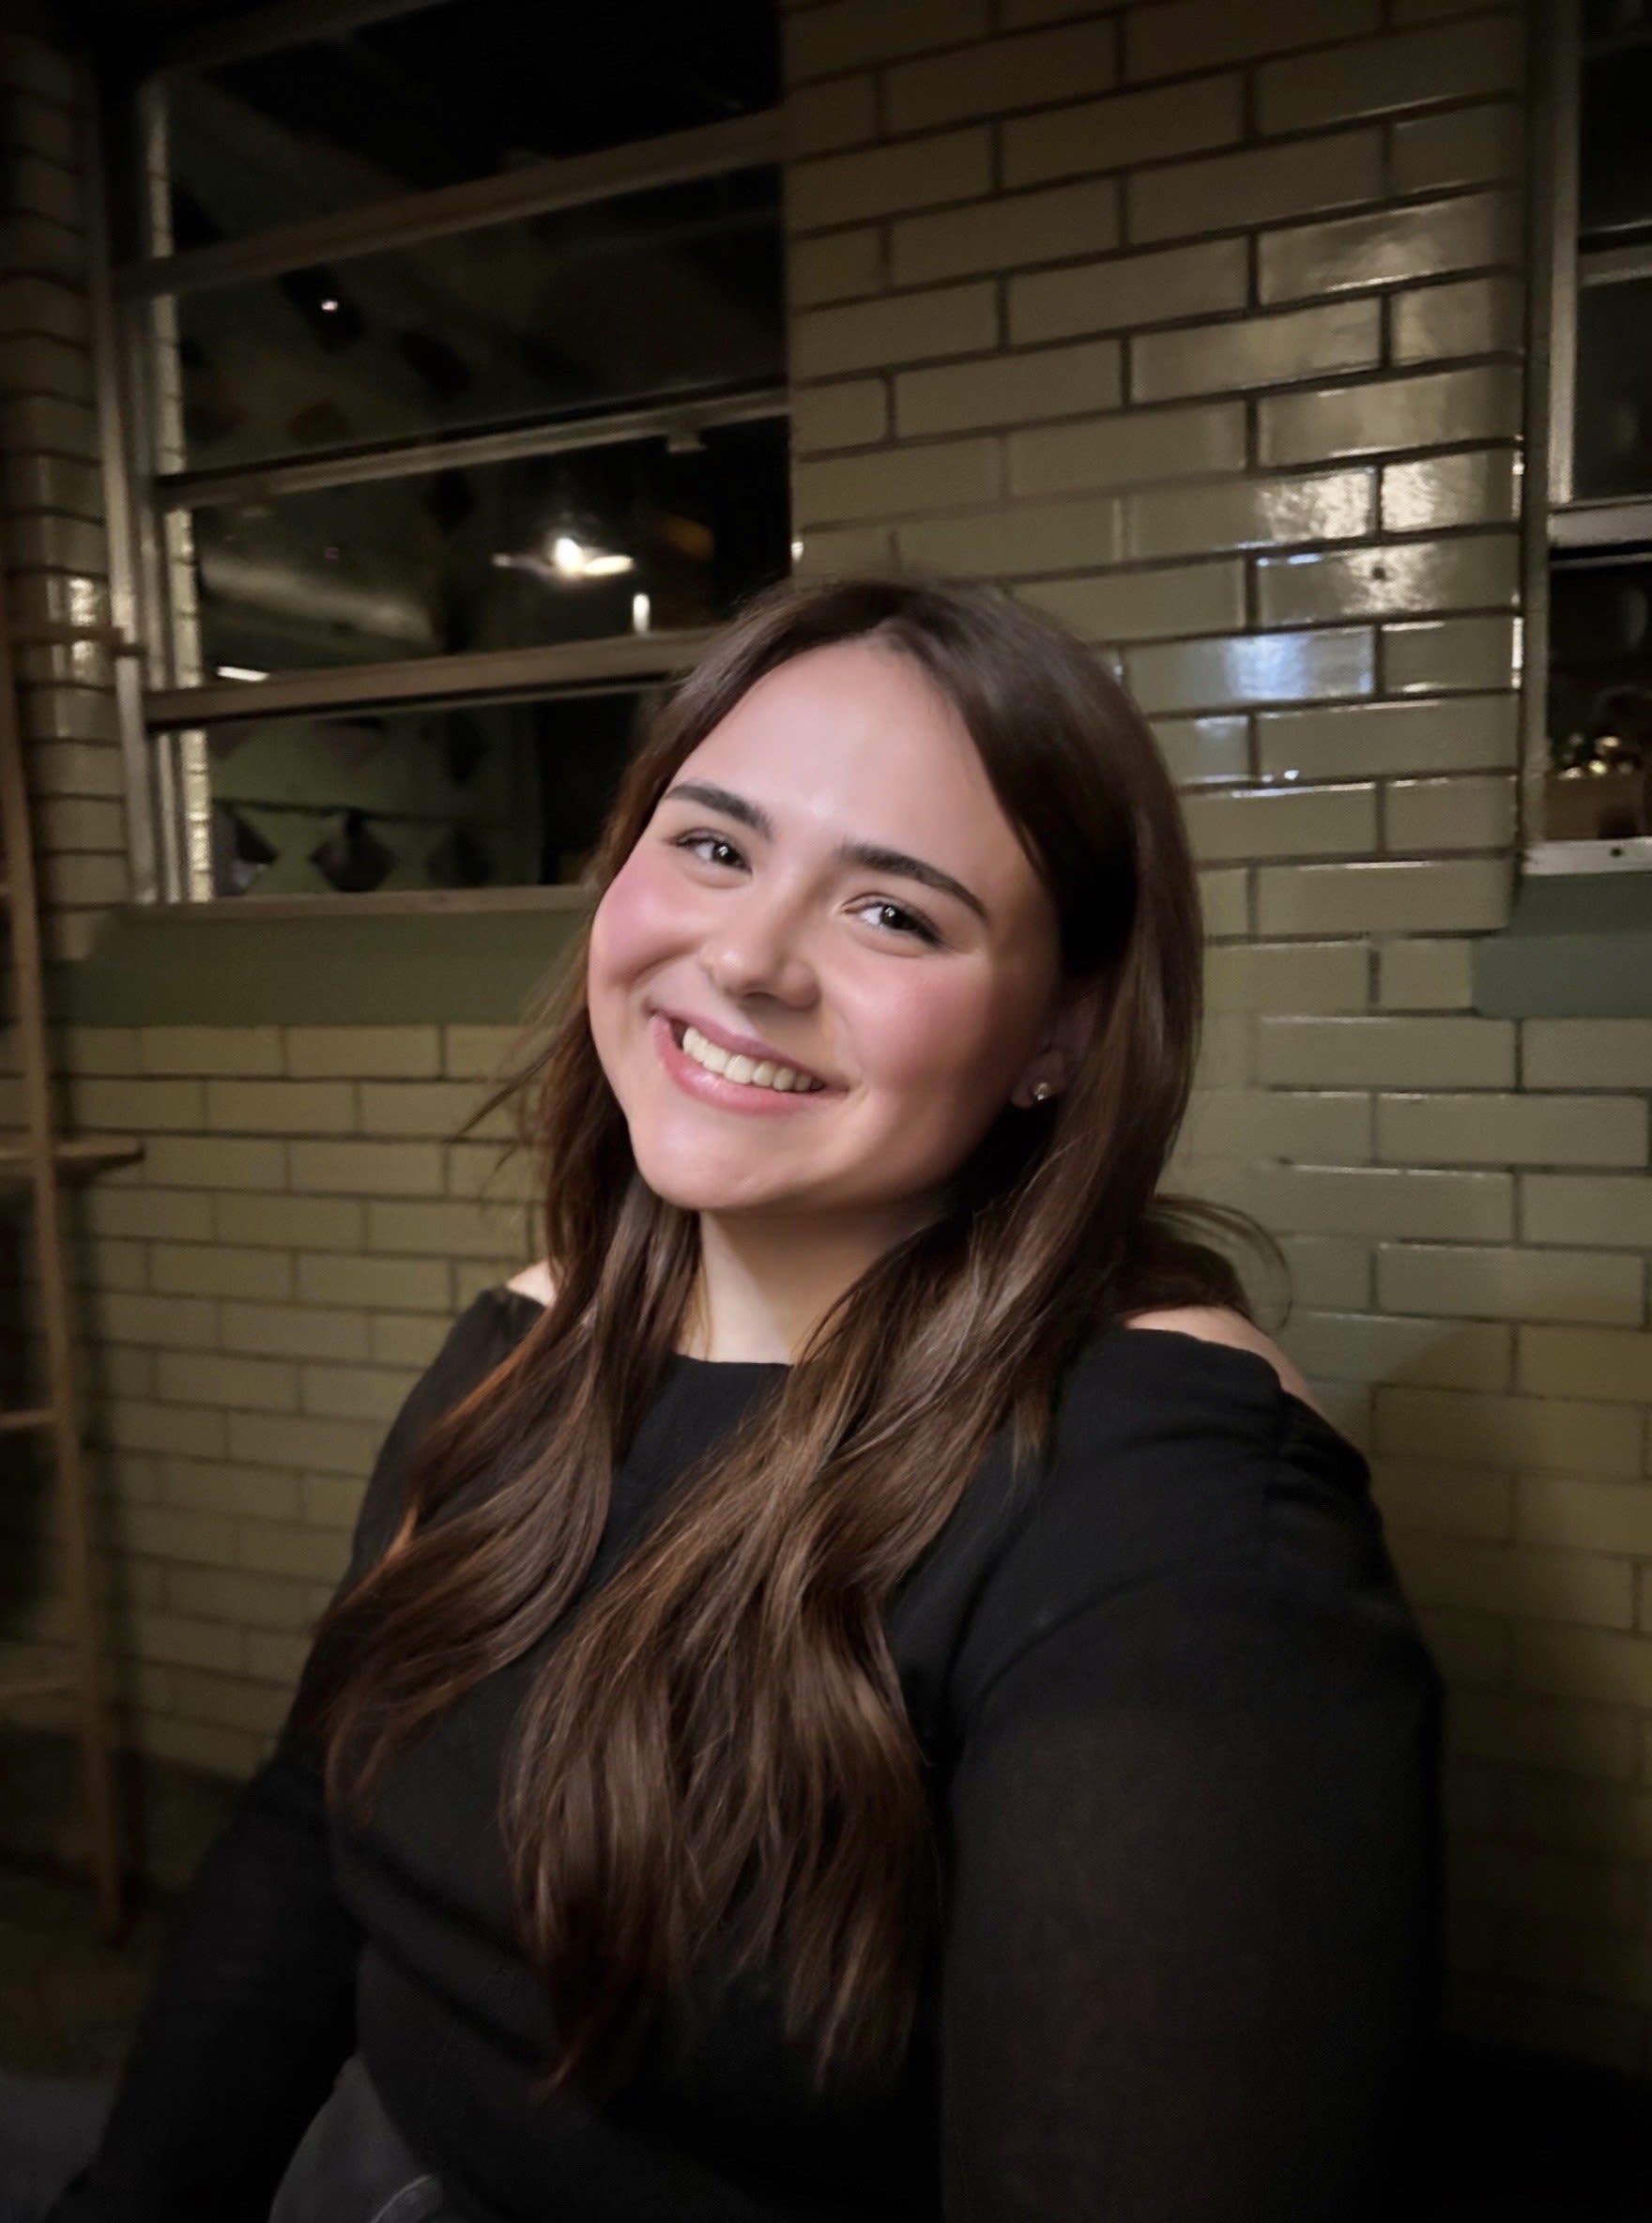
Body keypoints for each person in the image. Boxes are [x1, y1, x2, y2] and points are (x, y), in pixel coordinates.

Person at [18, 575, 1441, 2221]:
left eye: (895, 911)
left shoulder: (1173, 1511)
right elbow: (308, 1837)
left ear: (1058, 1032)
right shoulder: (531, 1342)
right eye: (711, 844)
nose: (749, 958)